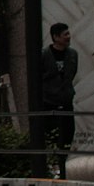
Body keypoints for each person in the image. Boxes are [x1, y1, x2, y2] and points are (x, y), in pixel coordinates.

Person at [33, 23, 81, 151]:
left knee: (68, 132)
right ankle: (53, 163)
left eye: (68, 33)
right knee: (50, 133)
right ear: (56, 37)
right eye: (65, 34)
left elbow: (72, 73)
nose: (68, 37)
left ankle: (63, 161)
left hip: (66, 99)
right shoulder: (43, 55)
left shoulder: (73, 54)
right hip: (48, 101)